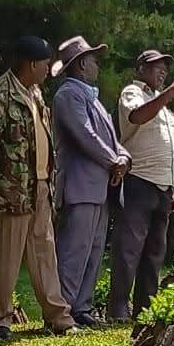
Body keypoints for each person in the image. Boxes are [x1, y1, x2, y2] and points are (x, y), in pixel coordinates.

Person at [0, 36, 79, 341]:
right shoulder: (0, 95)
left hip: (40, 186)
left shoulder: (35, 93)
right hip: (12, 190)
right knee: (7, 258)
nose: (48, 69)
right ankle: (0, 321)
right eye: (45, 64)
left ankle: (58, 317)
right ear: (31, 64)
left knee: (45, 253)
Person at [106, 50, 174, 323]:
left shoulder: (165, 108)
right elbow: (136, 117)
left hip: (163, 187)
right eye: (157, 66)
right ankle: (118, 310)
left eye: (165, 68)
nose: (163, 72)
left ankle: (144, 309)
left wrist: (172, 188)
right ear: (141, 68)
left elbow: (167, 150)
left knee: (155, 252)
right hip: (138, 181)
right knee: (128, 248)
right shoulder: (133, 92)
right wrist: (168, 94)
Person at [51, 36, 131, 328]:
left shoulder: (92, 98)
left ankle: (82, 307)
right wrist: (114, 161)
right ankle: (64, 310)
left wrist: (124, 157)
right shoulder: (68, 95)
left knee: (94, 250)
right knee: (74, 250)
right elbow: (85, 134)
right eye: (94, 60)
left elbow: (111, 138)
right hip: (80, 186)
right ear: (83, 64)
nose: (98, 66)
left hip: (100, 187)